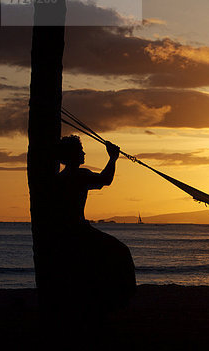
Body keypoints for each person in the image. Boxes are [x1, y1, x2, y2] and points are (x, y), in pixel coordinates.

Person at [52, 135, 136, 322]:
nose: (83, 153)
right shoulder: (78, 175)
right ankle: (122, 298)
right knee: (121, 251)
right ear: (72, 155)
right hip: (78, 231)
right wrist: (113, 158)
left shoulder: (61, 178)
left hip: (68, 232)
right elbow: (105, 180)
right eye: (80, 151)